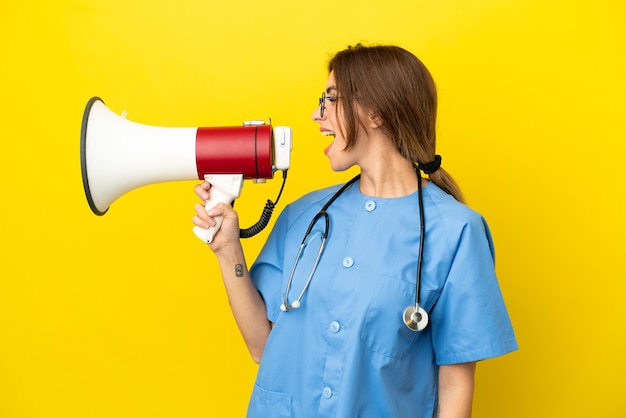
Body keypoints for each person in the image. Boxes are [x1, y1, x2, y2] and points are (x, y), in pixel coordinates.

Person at [192, 43, 518, 418]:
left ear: (375, 111)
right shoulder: (303, 216)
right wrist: (228, 250)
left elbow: (455, 382)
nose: (316, 114)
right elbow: (262, 348)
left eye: (330, 99)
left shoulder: (457, 232)